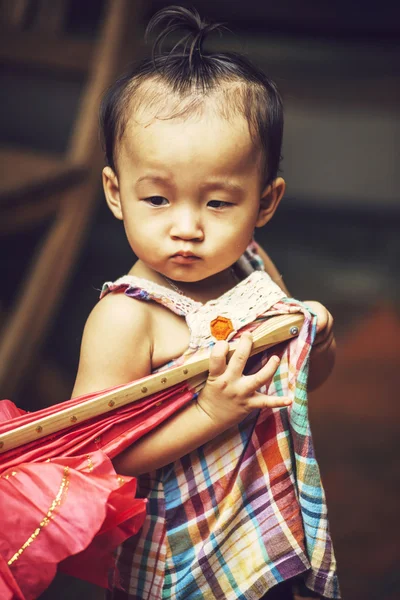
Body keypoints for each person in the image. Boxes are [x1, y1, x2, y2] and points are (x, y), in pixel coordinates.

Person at [72, 6, 338, 599]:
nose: (187, 227)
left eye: (218, 204)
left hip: (260, 519)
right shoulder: (127, 316)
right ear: (117, 193)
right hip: (178, 548)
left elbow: (301, 383)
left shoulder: (254, 268)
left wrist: (316, 340)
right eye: (158, 199)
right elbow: (96, 454)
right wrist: (211, 413)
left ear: (265, 203)